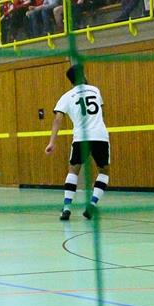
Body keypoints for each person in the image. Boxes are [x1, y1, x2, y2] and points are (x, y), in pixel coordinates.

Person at [45, 65, 110, 220]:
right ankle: (92, 204)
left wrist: (51, 142)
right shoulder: (96, 90)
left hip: (81, 137)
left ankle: (67, 207)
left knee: (73, 171)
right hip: (100, 136)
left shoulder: (66, 96)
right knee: (104, 172)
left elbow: (57, 120)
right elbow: (101, 111)